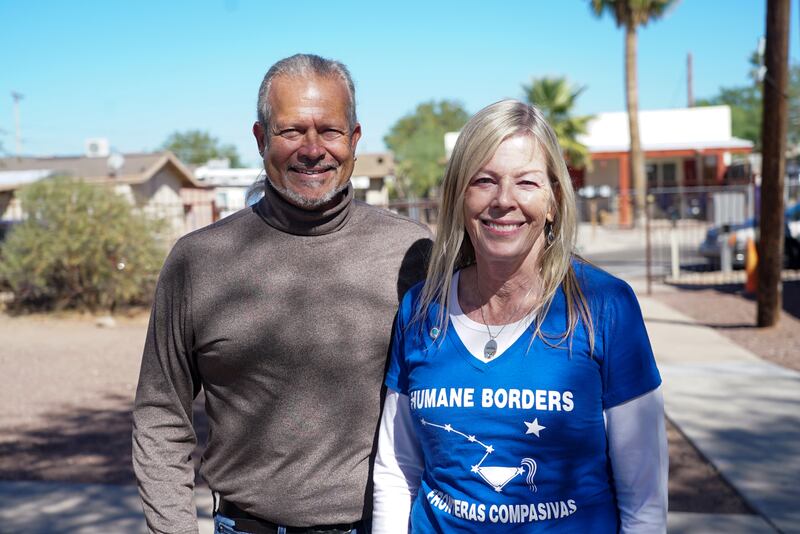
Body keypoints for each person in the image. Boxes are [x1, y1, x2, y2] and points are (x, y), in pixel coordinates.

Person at [132, 54, 431, 534]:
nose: (312, 149)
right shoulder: (198, 261)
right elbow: (160, 413)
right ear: (260, 138)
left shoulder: (416, 255)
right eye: (292, 131)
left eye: (330, 131)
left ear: (355, 140)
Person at [372, 100, 667, 533]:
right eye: (484, 181)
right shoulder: (420, 309)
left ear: (553, 201)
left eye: (526, 183)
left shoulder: (606, 306)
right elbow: (396, 472)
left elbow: (644, 503)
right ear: (460, 197)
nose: (503, 201)